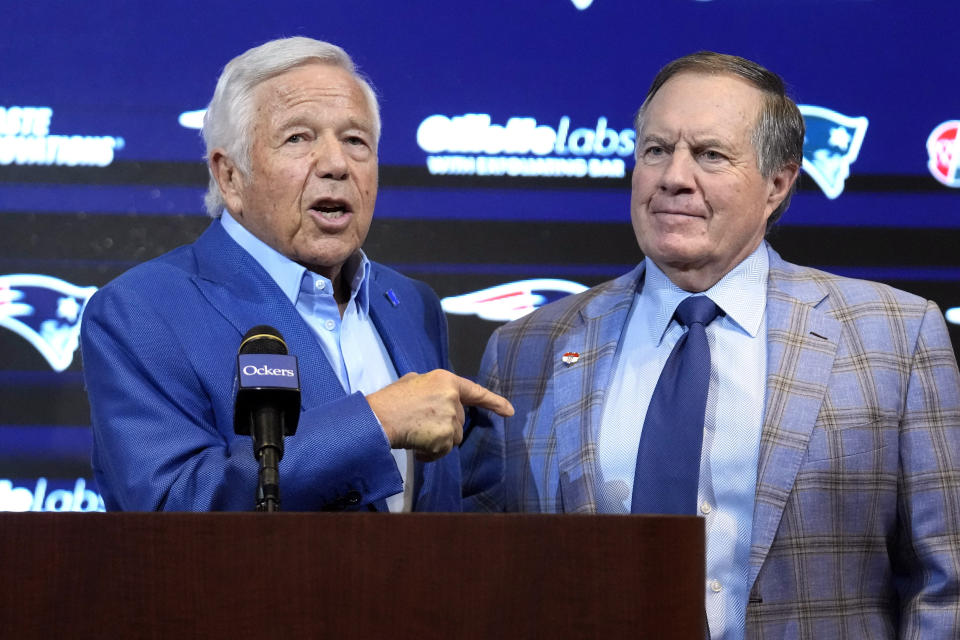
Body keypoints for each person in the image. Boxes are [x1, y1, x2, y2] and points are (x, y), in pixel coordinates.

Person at [461, 52, 960, 638]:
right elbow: (489, 575)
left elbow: (944, 584)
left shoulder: (896, 337)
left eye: (709, 154)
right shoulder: (527, 348)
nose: (674, 176)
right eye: (655, 150)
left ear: (778, 183)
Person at [81, 37, 512, 512]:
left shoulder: (411, 303)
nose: (336, 165)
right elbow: (169, 506)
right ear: (230, 177)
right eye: (298, 138)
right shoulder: (141, 311)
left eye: (355, 141)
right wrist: (377, 421)